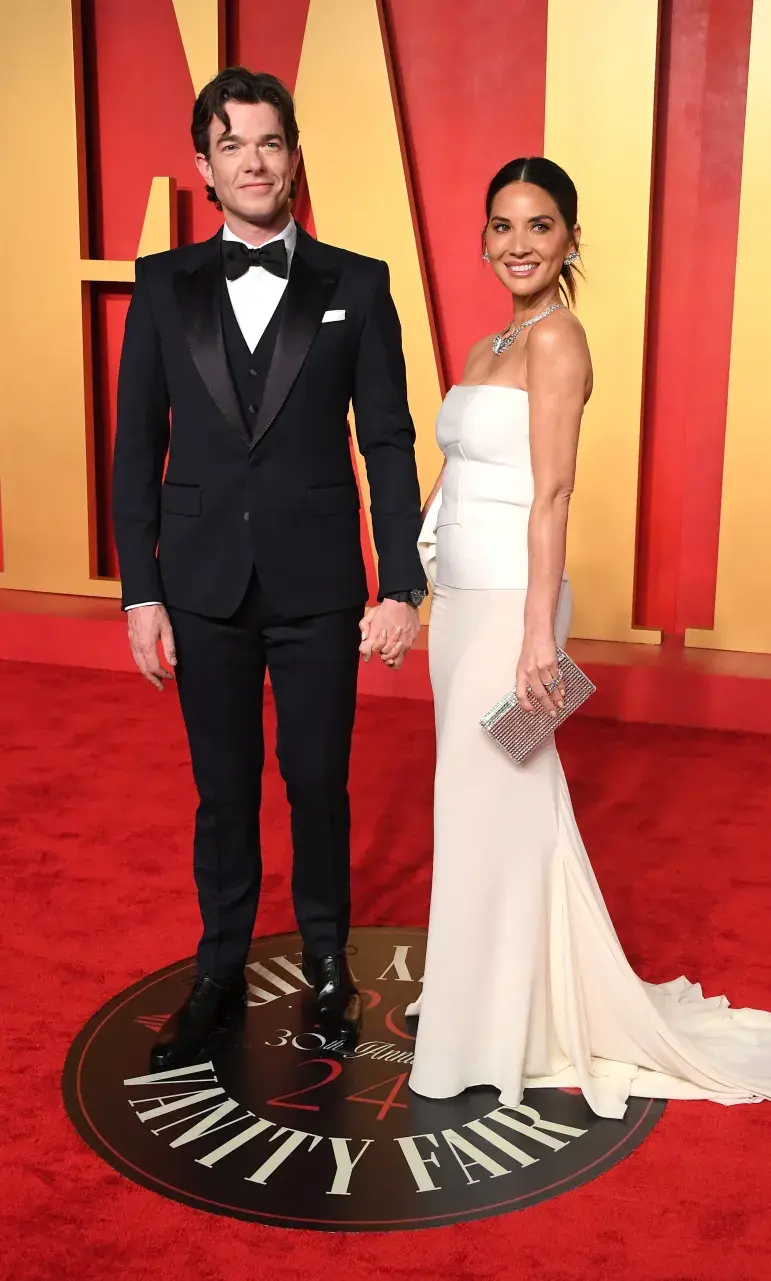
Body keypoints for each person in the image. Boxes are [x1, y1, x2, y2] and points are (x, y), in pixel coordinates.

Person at [405, 157, 771, 1119]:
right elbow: (452, 478)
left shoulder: (558, 340)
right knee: (486, 811)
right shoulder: (488, 345)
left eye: (540, 226)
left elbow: (554, 491)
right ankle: (497, 1011)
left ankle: (497, 1031)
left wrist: (535, 635)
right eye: (503, 226)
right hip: (461, 608)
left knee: (496, 802)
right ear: (483, 238)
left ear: (570, 240)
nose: (518, 243)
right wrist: (407, 589)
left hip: (514, 610)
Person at [112, 67, 427, 1071]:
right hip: (199, 581)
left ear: (294, 157)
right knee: (223, 785)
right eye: (233, 144)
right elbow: (133, 447)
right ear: (204, 166)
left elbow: (386, 439)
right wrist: (141, 589)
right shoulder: (162, 283)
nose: (255, 160)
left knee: (318, 778)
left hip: (320, 582)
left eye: (271, 142)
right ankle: (218, 972)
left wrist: (403, 582)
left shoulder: (360, 281)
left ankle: (330, 961)